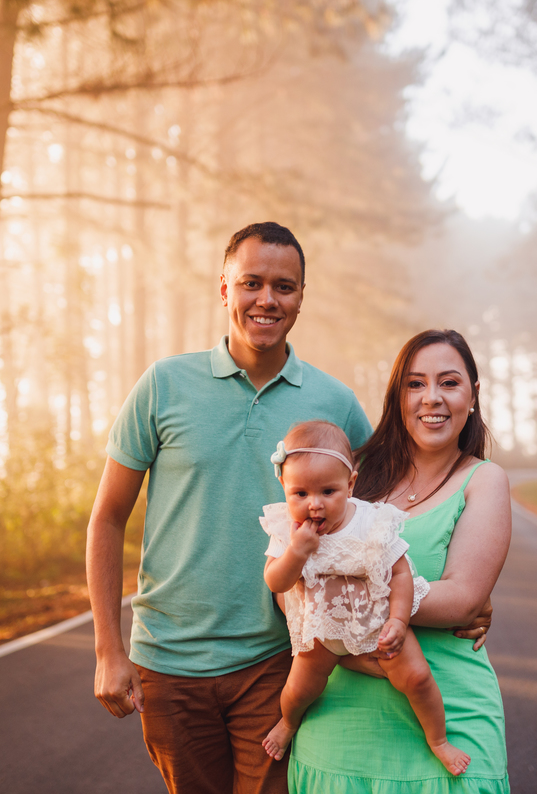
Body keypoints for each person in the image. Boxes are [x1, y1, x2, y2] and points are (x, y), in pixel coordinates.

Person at [86, 222, 373, 794]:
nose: (268, 299)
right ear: (224, 289)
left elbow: (387, 511)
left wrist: (456, 592)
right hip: (167, 661)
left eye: (284, 287)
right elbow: (108, 517)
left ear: (300, 298)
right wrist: (107, 650)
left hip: (277, 659)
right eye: (252, 283)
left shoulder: (335, 403)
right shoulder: (164, 385)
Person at [288, 329, 513, 793]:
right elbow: (290, 572)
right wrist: (394, 597)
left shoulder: (484, 481)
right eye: (415, 384)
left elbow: (463, 599)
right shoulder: (351, 473)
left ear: (473, 393)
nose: (432, 398)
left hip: (451, 708)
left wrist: (341, 596)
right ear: (397, 396)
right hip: (342, 716)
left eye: (449, 383)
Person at [259, 420, 471, 776]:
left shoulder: (371, 523)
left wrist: (398, 621)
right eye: (301, 494)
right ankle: (288, 722)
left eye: (328, 492)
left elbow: (401, 573)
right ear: (284, 486)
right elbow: (275, 582)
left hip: (376, 625)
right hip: (322, 633)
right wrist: (297, 552)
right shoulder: (287, 530)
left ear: (350, 483)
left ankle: (439, 741)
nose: (314, 505)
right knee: (297, 690)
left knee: (417, 679)